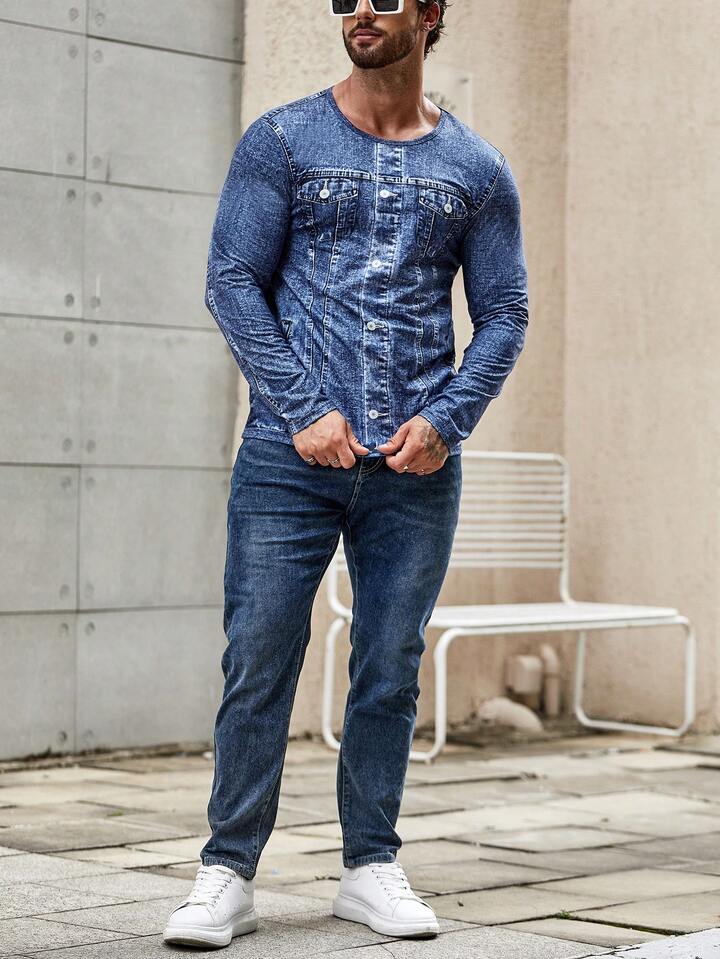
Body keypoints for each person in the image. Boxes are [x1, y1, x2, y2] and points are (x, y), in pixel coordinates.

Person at [163, 0, 528, 948]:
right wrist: (302, 409)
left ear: (431, 11)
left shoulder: (478, 168)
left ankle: (369, 866)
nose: (360, 7)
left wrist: (447, 421)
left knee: (389, 665)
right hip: (288, 459)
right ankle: (226, 872)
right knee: (259, 655)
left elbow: (505, 311)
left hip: (415, 465)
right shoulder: (282, 140)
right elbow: (231, 280)